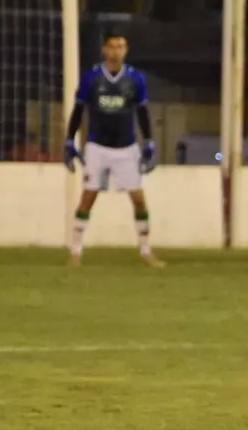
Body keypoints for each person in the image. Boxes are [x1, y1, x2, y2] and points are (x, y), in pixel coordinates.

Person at [63, 31, 163, 268]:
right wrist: (69, 140)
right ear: (104, 50)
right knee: (88, 198)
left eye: (121, 47)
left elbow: (142, 112)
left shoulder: (135, 79)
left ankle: (145, 251)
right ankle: (75, 252)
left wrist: (149, 141)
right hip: (97, 147)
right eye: (112, 46)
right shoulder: (92, 78)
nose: (117, 51)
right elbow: (78, 110)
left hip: (126, 148)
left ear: (125, 50)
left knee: (139, 200)